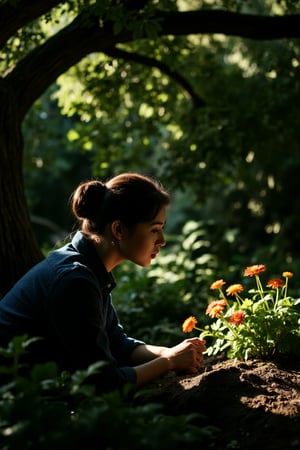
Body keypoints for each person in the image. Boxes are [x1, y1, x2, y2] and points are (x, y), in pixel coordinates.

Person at [0, 173, 206, 392]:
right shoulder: (74, 280)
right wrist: (170, 362)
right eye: (154, 229)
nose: (162, 241)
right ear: (118, 230)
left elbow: (119, 345)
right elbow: (104, 383)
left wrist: (170, 352)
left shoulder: (88, 269)